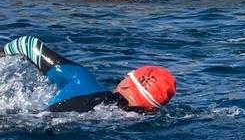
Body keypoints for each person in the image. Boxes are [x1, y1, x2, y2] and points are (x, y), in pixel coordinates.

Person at [1, 36, 176, 113]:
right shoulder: (133, 120)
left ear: (126, 83)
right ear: (153, 109)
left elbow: (27, 44)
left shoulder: (82, 81)